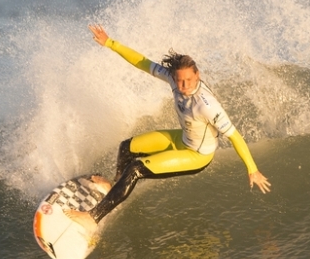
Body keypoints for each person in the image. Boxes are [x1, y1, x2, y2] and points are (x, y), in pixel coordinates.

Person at [65, 24, 271, 233]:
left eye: (189, 80)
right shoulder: (173, 79)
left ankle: (92, 217)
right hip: (182, 138)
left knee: (135, 169)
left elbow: (235, 136)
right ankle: (114, 187)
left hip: (196, 154)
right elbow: (143, 62)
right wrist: (110, 43)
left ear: (197, 75)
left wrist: (252, 169)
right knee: (127, 147)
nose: (184, 86)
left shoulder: (207, 106)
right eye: (180, 81)